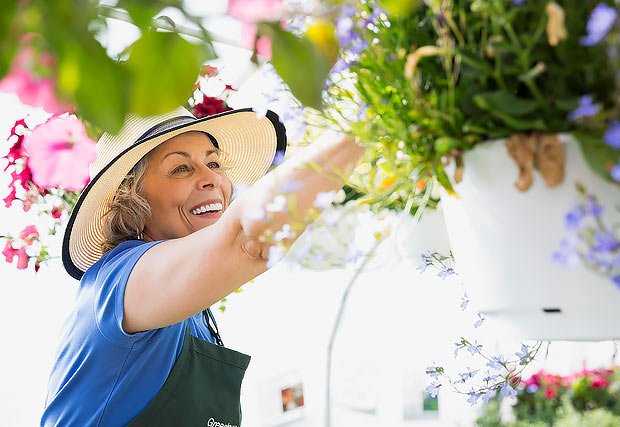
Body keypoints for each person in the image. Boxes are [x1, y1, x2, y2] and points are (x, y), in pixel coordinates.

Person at [41, 106, 365, 426]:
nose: (212, 178)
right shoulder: (117, 279)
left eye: (214, 162)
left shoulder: (194, 316)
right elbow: (249, 240)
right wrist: (371, 119)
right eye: (181, 168)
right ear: (132, 197)